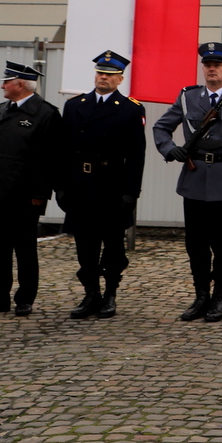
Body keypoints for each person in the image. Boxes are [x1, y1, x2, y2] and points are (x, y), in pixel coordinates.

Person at [152, 42, 222, 323]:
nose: (212, 69)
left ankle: (219, 298)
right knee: (195, 244)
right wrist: (169, 149)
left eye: (218, 65)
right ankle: (201, 296)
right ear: (203, 68)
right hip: (194, 178)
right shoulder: (189, 97)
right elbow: (161, 127)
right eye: (208, 65)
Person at [57, 50, 147, 319]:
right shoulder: (75, 106)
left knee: (113, 246)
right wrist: (60, 185)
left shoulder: (131, 109)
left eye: (109, 75)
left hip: (111, 186)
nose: (103, 78)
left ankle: (110, 294)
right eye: (100, 73)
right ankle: (90, 293)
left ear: (120, 79)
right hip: (81, 184)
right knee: (85, 244)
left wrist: (132, 192)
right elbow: (64, 150)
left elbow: (135, 155)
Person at [0, 61, 64, 316]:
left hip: (24, 196)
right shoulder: (0, 110)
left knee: (25, 249)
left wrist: (40, 194)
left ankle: (25, 298)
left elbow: (49, 160)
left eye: (6, 81)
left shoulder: (46, 114)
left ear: (20, 84)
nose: (2, 86)